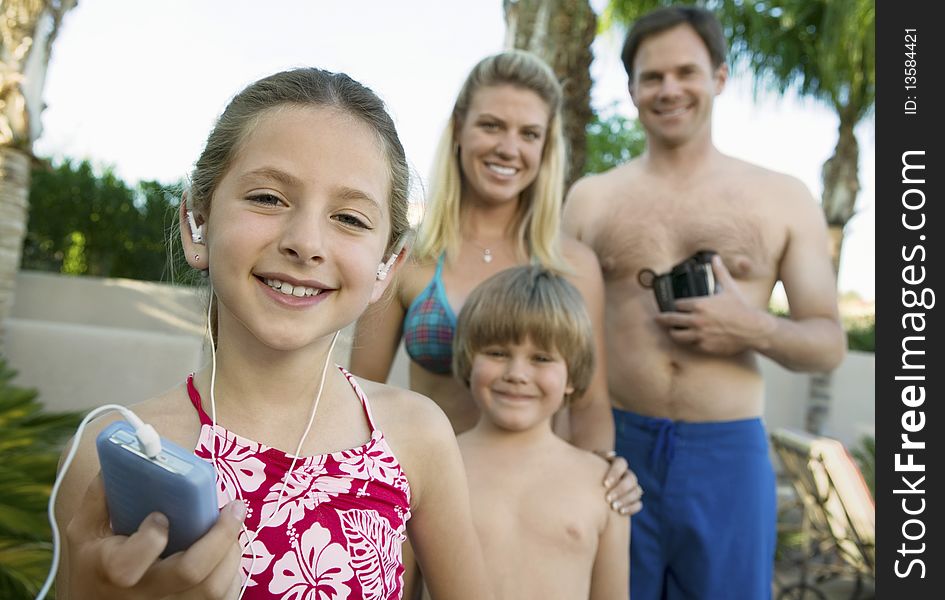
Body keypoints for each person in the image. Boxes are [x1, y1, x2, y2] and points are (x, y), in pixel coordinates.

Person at [52, 68, 492, 599]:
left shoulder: (415, 436)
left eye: (350, 218)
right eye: (267, 198)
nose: (306, 243)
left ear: (387, 265)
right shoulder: (114, 458)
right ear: (197, 223)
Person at [563, 6, 847, 600]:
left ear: (719, 78)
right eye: (652, 77)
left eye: (686, 72)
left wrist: (753, 328)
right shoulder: (590, 201)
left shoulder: (783, 197)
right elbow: (562, 341)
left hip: (727, 453)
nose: (670, 90)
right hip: (617, 445)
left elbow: (827, 343)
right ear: (633, 88)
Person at [350, 50, 642, 515]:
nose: (509, 147)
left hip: (534, 506)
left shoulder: (573, 265)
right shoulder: (408, 258)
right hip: (423, 503)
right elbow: (359, 399)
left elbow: (588, 405)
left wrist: (599, 479)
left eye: (529, 134)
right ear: (459, 130)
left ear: (546, 148)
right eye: (491, 125)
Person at [453, 265, 629, 599]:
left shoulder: (604, 484)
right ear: (468, 358)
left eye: (542, 358)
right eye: (497, 353)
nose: (517, 373)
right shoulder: (433, 471)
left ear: (572, 376)